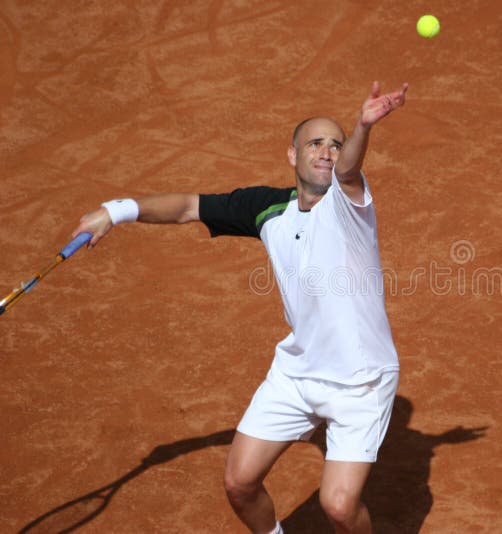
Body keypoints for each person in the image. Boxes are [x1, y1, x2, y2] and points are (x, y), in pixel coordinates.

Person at [71, 81, 409, 534]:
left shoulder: (349, 204)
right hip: (298, 370)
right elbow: (191, 207)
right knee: (239, 483)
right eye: (315, 143)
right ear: (292, 155)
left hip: (360, 381)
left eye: (336, 144)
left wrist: (363, 126)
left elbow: (349, 170)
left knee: (339, 507)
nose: (327, 152)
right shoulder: (266, 208)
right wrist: (117, 211)